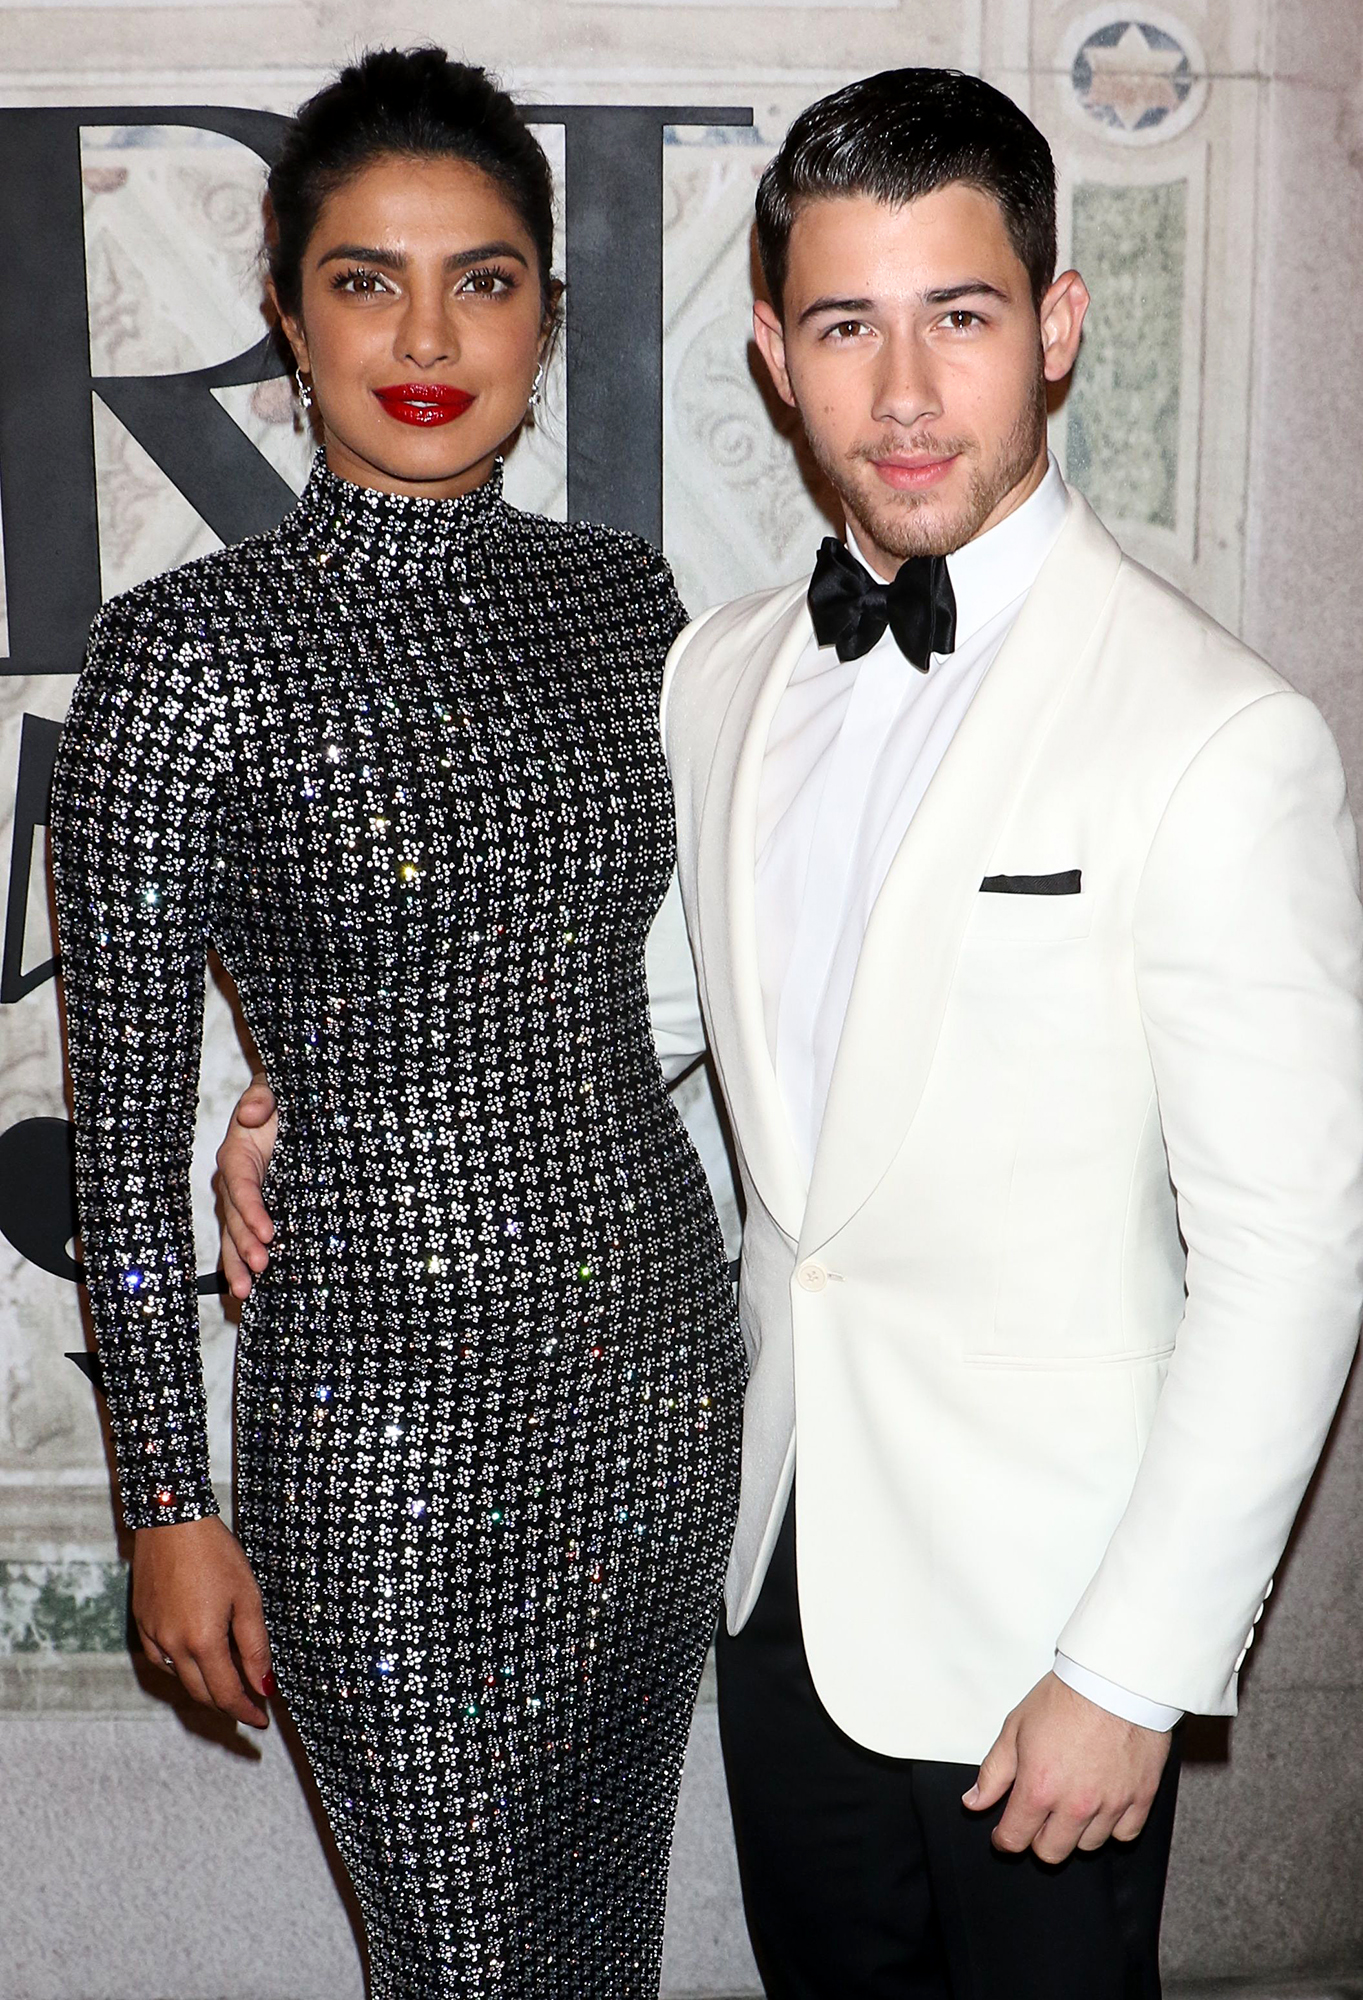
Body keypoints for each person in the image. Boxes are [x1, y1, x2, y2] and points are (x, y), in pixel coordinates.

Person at [217, 64, 1363, 2000]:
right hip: (768, 1574)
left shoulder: (1213, 733)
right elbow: (630, 994)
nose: (903, 392)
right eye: (845, 325)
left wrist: (1134, 1666)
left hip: (1046, 1621)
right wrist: (304, 1097)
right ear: (771, 352)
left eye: (959, 316)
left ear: (1057, 326)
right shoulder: (727, 668)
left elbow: (1294, 1252)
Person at [50, 46, 743, 2000]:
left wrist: (318, 1080)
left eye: (482, 280)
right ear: (287, 308)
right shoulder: (180, 657)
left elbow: (698, 972)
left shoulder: (630, 606)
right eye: (367, 281)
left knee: (598, 1947)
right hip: (375, 1421)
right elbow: (120, 1140)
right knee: (456, 1965)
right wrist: (167, 1506)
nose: (426, 338)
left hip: (654, 1382)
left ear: (547, 309)